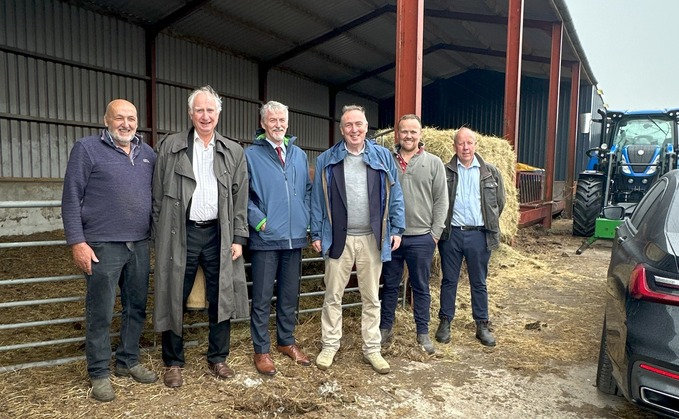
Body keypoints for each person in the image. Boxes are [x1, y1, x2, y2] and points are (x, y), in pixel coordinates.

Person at [152, 85, 249, 388]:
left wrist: (238, 237)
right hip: (182, 232)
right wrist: (160, 237)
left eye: (210, 110)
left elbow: (240, 197)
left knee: (222, 293)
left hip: (219, 233)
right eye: (199, 110)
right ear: (190, 113)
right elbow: (157, 196)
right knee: (173, 292)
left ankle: (218, 358)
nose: (205, 116)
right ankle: (173, 361)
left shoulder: (233, 151)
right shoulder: (171, 146)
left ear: (218, 114)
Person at [61, 99, 158, 402]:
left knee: (136, 306)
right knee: (100, 311)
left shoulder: (148, 154)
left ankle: (128, 361)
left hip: (140, 243)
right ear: (106, 120)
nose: (126, 124)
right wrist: (78, 242)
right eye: (119, 118)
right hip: (102, 245)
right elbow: (70, 198)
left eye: (131, 118)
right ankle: (100, 372)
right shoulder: (87, 149)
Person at [310, 105, 405, 374]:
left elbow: (395, 195)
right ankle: (329, 345)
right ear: (341, 130)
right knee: (333, 295)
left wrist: (396, 228)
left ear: (366, 127)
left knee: (371, 296)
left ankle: (372, 349)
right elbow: (317, 200)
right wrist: (316, 233)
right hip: (338, 236)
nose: (354, 129)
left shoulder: (383, 157)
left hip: (371, 237)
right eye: (349, 125)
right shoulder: (327, 160)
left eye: (359, 124)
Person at [245, 100, 312, 375]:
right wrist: (259, 220)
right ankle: (261, 350)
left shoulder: (298, 154)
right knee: (261, 297)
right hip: (265, 238)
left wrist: (305, 216)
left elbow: (308, 190)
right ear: (263, 123)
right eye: (272, 120)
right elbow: (242, 195)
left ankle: (286, 342)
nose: (278, 125)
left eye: (282, 120)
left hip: (294, 237)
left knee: (289, 295)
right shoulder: (250, 155)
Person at [379, 114, 448, 355]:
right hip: (391, 236)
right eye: (404, 131)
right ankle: (385, 329)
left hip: (421, 237)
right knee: (389, 284)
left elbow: (441, 201)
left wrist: (435, 234)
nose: (408, 136)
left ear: (421, 134)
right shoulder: (386, 160)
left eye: (413, 132)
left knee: (420, 286)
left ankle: (423, 332)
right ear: (397, 134)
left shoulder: (433, 163)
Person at [435, 127, 505, 347]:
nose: (465, 147)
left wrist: (486, 225)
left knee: (479, 281)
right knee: (449, 280)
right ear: (454, 146)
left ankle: (482, 325)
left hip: (478, 235)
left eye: (469, 143)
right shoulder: (445, 172)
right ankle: (445, 321)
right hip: (452, 234)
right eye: (461, 143)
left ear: (476, 145)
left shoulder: (490, 172)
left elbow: (499, 203)